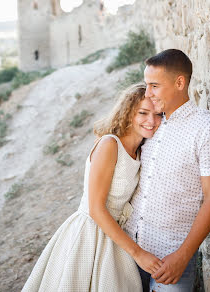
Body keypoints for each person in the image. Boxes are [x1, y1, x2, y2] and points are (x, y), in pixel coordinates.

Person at [22, 83, 163, 292]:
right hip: (90, 232)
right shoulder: (110, 145)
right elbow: (96, 208)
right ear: (128, 112)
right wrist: (138, 254)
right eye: (143, 112)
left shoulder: (144, 149)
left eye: (158, 114)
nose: (151, 121)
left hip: (116, 235)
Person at [125, 49, 210, 292]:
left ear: (180, 82)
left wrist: (182, 256)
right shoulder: (151, 121)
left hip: (171, 257)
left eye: (154, 85)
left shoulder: (205, 127)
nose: (147, 93)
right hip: (130, 249)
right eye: (147, 85)